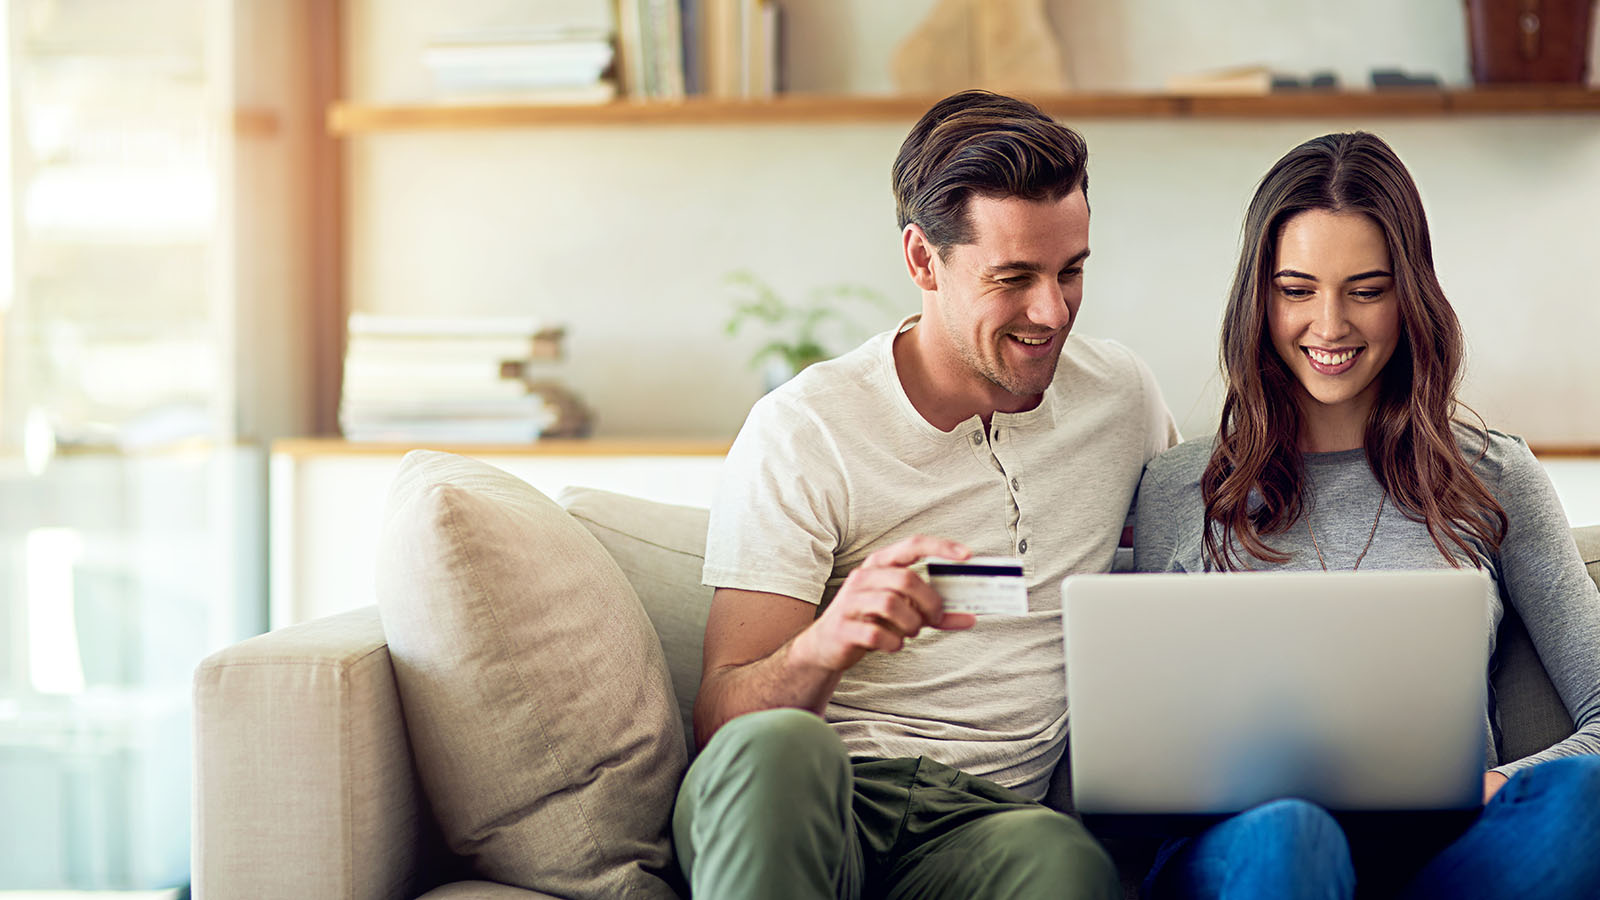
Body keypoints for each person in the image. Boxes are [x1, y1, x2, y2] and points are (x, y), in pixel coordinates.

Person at [672, 89, 1178, 899]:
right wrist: (829, 642)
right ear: (921, 260)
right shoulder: (805, 430)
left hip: (982, 827)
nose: (1052, 312)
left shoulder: (1122, 399)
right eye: (1013, 278)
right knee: (778, 750)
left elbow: (1182, 584)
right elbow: (721, 721)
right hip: (812, 795)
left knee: (1063, 860)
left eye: (1071, 270)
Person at [1134, 131, 1600, 898]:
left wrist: (1489, 788)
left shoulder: (1496, 476)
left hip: (1440, 856)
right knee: (1294, 834)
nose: (1330, 325)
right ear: (1259, 298)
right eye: (1296, 290)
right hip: (1252, 855)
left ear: (1409, 294)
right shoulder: (1181, 487)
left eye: (1366, 289)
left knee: (1584, 805)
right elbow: (1148, 750)